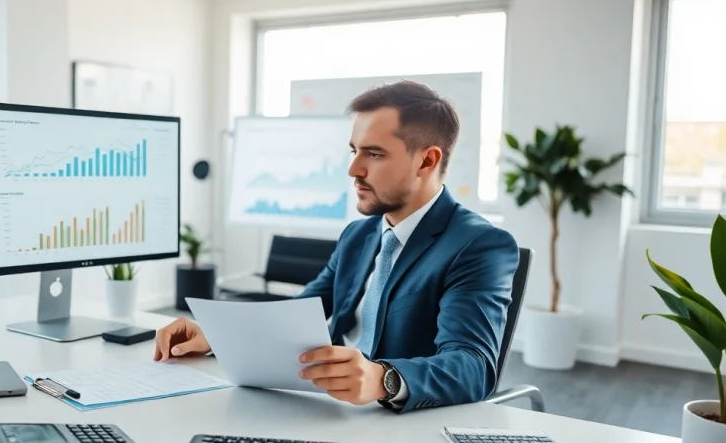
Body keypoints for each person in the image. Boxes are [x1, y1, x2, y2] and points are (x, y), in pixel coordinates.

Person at [154, 81, 519, 412]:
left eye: (374, 154)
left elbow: (473, 365)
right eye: (354, 151)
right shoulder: (357, 236)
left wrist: (383, 378)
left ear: (427, 159)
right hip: (325, 408)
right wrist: (217, 335)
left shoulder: (479, 245)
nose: (354, 170)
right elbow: (299, 313)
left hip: (396, 423)